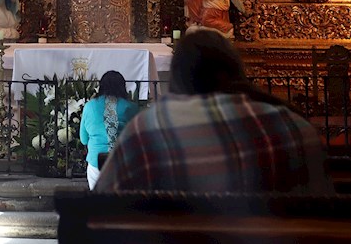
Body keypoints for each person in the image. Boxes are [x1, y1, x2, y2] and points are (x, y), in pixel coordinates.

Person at [95, 30, 331, 194]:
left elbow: (104, 207)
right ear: (235, 69)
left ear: (178, 77)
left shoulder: (146, 129)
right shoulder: (292, 125)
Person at [79, 71, 139, 190]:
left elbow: (84, 139)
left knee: (98, 201)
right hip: (122, 161)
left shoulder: (90, 106)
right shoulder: (131, 108)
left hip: (96, 161)